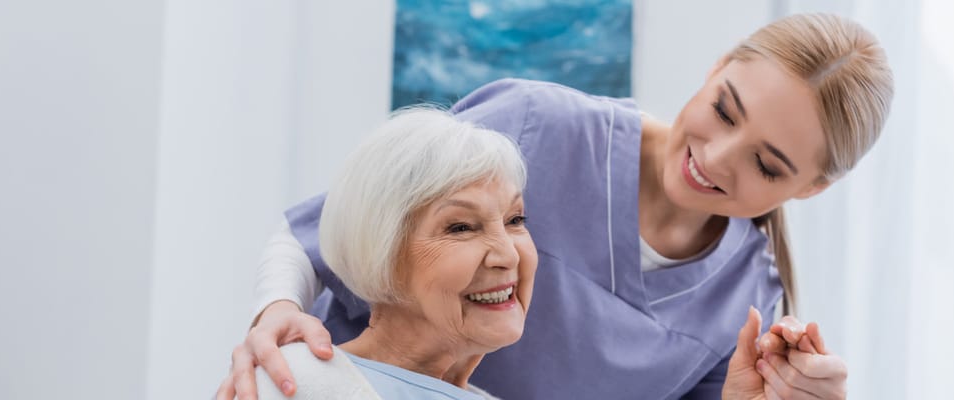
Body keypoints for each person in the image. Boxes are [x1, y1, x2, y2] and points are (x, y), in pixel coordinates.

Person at [219, 13, 891, 400]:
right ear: (716, 70)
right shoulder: (539, 124)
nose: (716, 159)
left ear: (810, 188)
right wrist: (276, 317)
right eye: (723, 109)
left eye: (767, 164)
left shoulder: (745, 303)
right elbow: (318, 234)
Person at [251, 108, 536, 399]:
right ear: (382, 255)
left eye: (515, 220)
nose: (508, 256)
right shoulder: (295, 383)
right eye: (461, 227)